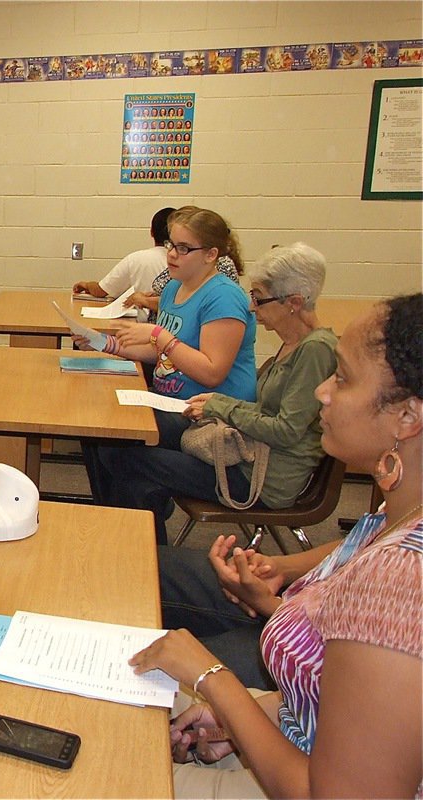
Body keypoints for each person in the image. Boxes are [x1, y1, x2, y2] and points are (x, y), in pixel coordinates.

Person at [130, 293, 422, 799]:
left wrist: (212, 679)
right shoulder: (399, 519)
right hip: (299, 741)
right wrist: (246, 717)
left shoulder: (399, 582)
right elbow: (326, 710)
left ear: (406, 417)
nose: (324, 393)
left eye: (344, 379)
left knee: (99, 767)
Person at [95, 243, 337, 547]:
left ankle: (146, 560)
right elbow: (268, 413)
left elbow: (286, 430)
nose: (252, 307)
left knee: (122, 456)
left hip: (260, 479)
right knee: (133, 473)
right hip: (247, 459)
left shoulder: (315, 351)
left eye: (259, 298)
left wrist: (222, 405)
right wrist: (220, 405)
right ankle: (146, 556)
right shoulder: (295, 346)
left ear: (294, 302)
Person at [72, 207, 175, 322]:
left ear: (151, 232)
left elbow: (101, 290)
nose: (173, 255)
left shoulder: (138, 259)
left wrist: (87, 285)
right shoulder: (178, 267)